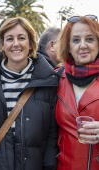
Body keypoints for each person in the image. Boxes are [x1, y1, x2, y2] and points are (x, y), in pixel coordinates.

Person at [0, 16, 59, 170]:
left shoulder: (48, 81)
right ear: (3, 44)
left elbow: (52, 134)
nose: (15, 44)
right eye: (9, 38)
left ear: (31, 43)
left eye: (21, 38)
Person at [55, 14, 99, 170]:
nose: (83, 45)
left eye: (90, 39)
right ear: (68, 46)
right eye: (76, 40)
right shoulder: (55, 79)